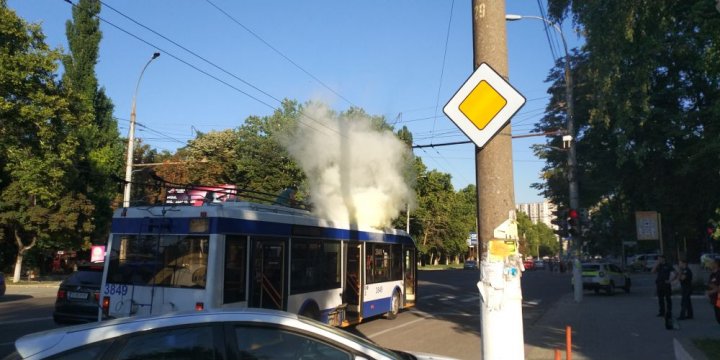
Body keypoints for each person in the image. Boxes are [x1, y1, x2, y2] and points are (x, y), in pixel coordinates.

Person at [706, 258, 720, 324]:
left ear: (716, 264)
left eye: (712, 263)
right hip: (714, 299)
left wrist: (710, 292)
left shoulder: (719, 274)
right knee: (717, 317)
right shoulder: (712, 274)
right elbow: (710, 285)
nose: (710, 264)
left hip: (719, 299)